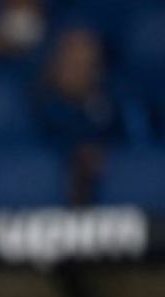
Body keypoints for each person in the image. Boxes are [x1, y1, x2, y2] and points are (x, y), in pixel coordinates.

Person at [36, 28, 124, 204]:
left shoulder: (113, 105)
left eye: (88, 64)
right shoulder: (39, 106)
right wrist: (76, 157)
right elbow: (36, 153)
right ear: (56, 65)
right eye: (73, 64)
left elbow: (133, 145)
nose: (80, 71)